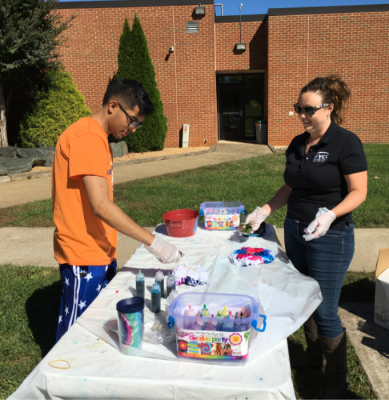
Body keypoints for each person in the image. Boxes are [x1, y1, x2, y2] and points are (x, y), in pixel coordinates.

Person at [245, 75, 367, 400]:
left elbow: (359, 192)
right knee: (302, 297)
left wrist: (330, 214)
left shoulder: (346, 143)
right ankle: (313, 359)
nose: (302, 115)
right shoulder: (299, 143)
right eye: (299, 108)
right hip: (297, 231)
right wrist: (265, 210)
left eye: (309, 109)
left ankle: (338, 382)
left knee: (326, 309)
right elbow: (291, 186)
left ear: (329, 108)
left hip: (330, 236)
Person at [53, 79, 183, 342]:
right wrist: (153, 242)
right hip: (83, 256)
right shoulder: (87, 138)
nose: (133, 129)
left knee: (97, 329)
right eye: (132, 120)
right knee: (75, 337)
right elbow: (101, 205)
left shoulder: (98, 137)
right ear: (113, 106)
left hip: (99, 250)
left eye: (138, 124)